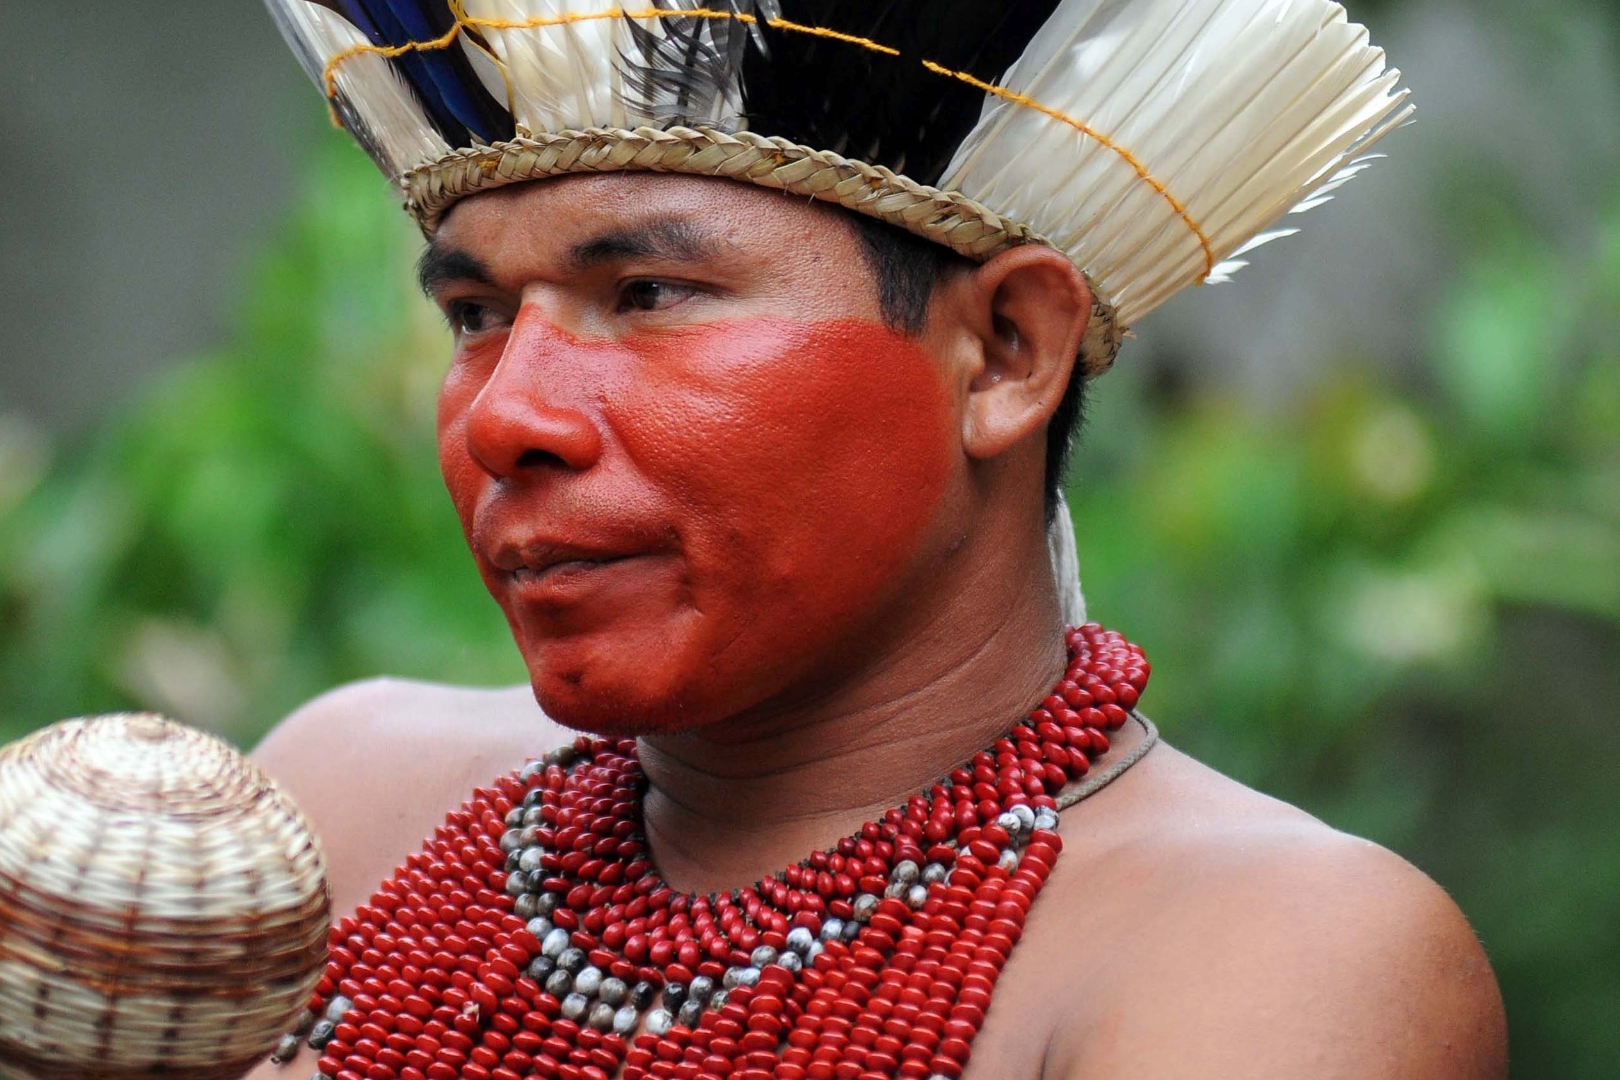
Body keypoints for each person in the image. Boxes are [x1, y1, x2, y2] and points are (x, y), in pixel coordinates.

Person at [248, 1, 1506, 1077]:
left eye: (649, 296)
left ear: (1007, 350)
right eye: (475, 313)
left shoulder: (1278, 951)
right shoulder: (342, 803)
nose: (508, 415)